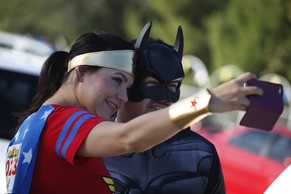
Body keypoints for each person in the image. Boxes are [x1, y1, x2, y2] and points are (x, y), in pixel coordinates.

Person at [5, 28, 262, 194]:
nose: (123, 96)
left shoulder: (36, 123)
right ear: (80, 72)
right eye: (116, 80)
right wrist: (205, 102)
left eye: (128, 85)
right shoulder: (61, 122)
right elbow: (128, 139)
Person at [104, 22, 226, 194]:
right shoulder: (94, 143)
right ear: (128, 83)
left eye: (172, 86)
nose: (164, 98)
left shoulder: (199, 154)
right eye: (152, 83)